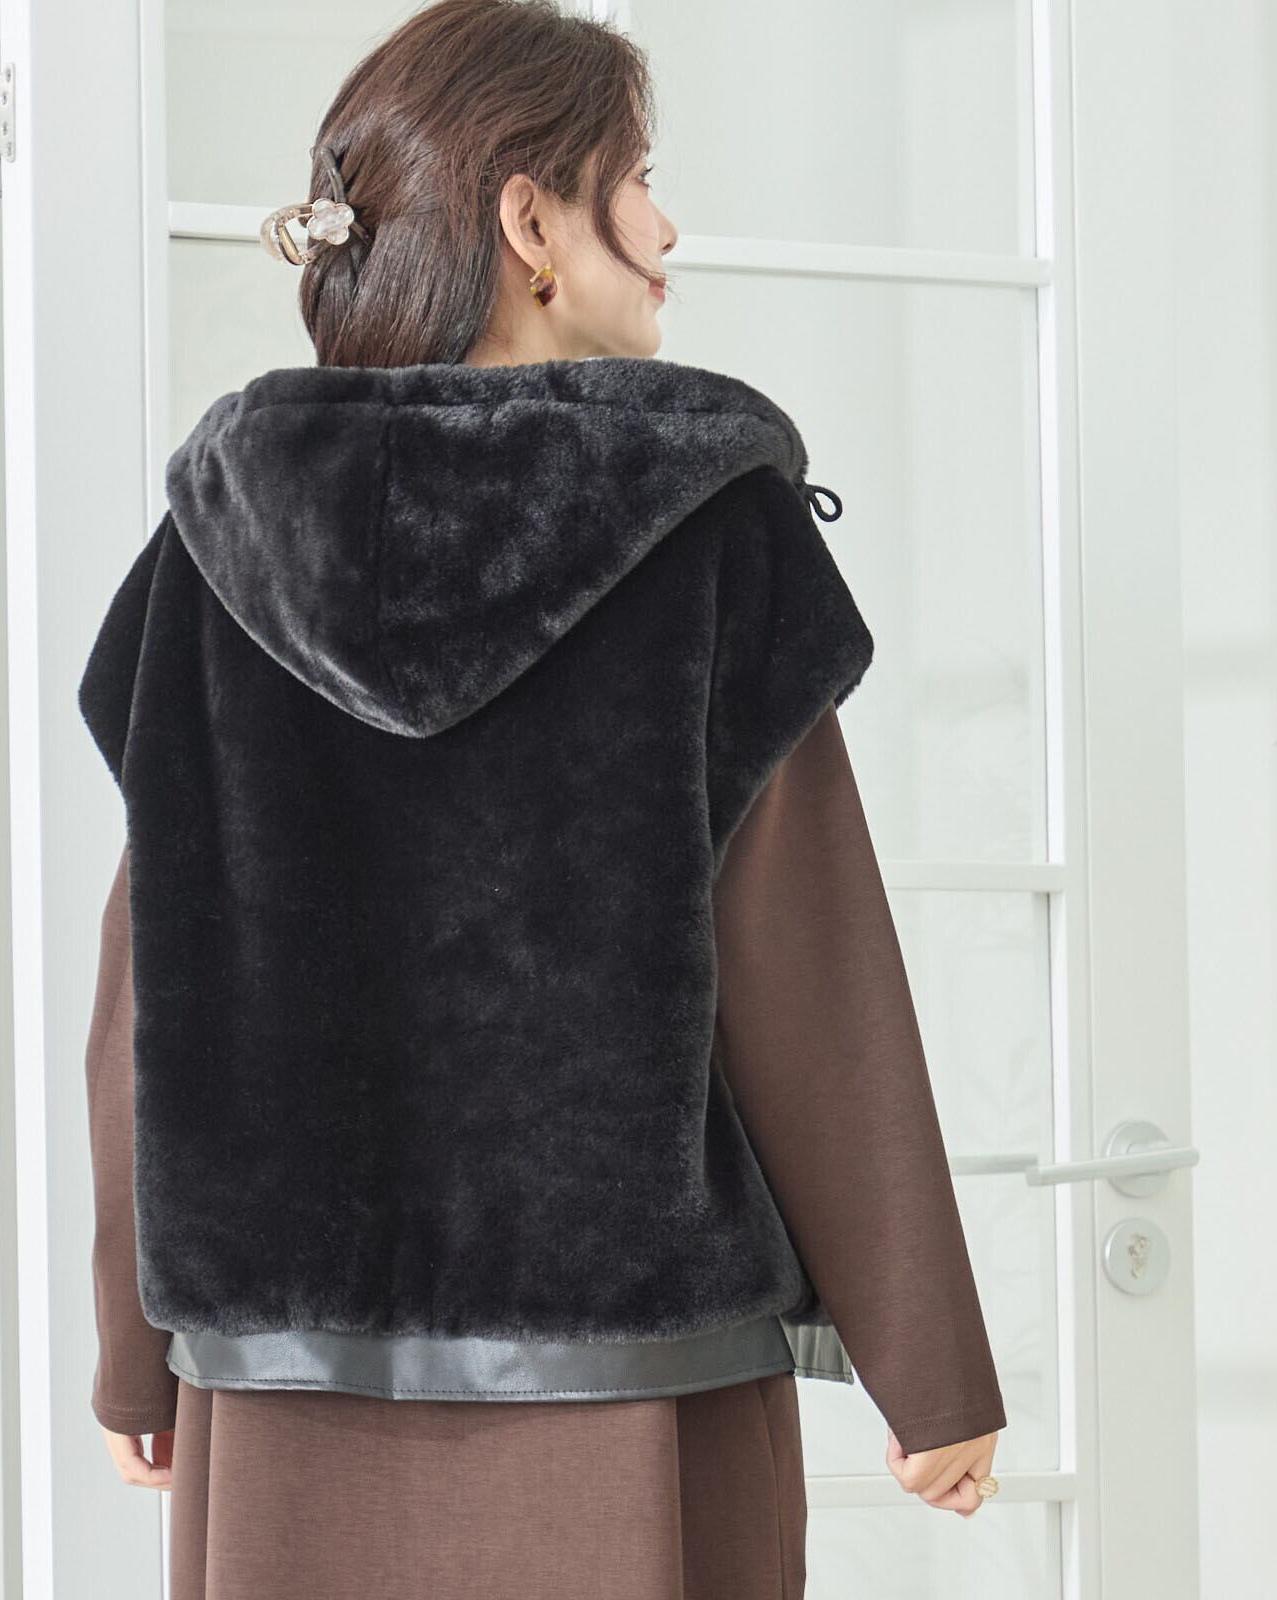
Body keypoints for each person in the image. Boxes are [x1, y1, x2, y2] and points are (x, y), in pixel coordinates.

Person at [79, 3, 1006, 1596]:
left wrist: (128, 1349)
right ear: (529, 222)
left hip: (280, 1395)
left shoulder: (215, 549)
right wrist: (929, 1365)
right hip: (634, 1395)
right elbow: (808, 966)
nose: (665, 227)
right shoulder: (703, 531)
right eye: (636, 179)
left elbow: (147, 979)